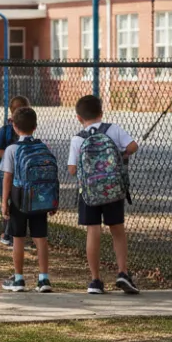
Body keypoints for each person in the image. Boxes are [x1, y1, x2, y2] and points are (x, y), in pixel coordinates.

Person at [68, 94, 140, 295]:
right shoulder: (113, 130)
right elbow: (133, 146)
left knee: (93, 231)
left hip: (89, 193)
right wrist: (119, 155)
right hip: (113, 189)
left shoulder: (77, 139)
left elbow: (72, 169)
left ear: (78, 117)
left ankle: (95, 280)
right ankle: (122, 272)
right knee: (117, 230)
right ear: (101, 113)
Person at [0, 106, 55, 293]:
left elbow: (8, 176)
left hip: (18, 199)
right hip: (40, 199)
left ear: (14, 126)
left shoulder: (12, 149)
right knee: (41, 238)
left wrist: (4, 202)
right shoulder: (43, 147)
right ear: (35, 126)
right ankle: (44, 278)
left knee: (18, 238)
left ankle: (19, 278)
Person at [0, 95, 31, 246]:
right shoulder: (6, 130)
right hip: (6, 172)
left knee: (20, 201)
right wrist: (12, 156)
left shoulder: (27, 130)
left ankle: (17, 234)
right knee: (7, 201)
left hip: (22, 172)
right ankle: (6, 233)